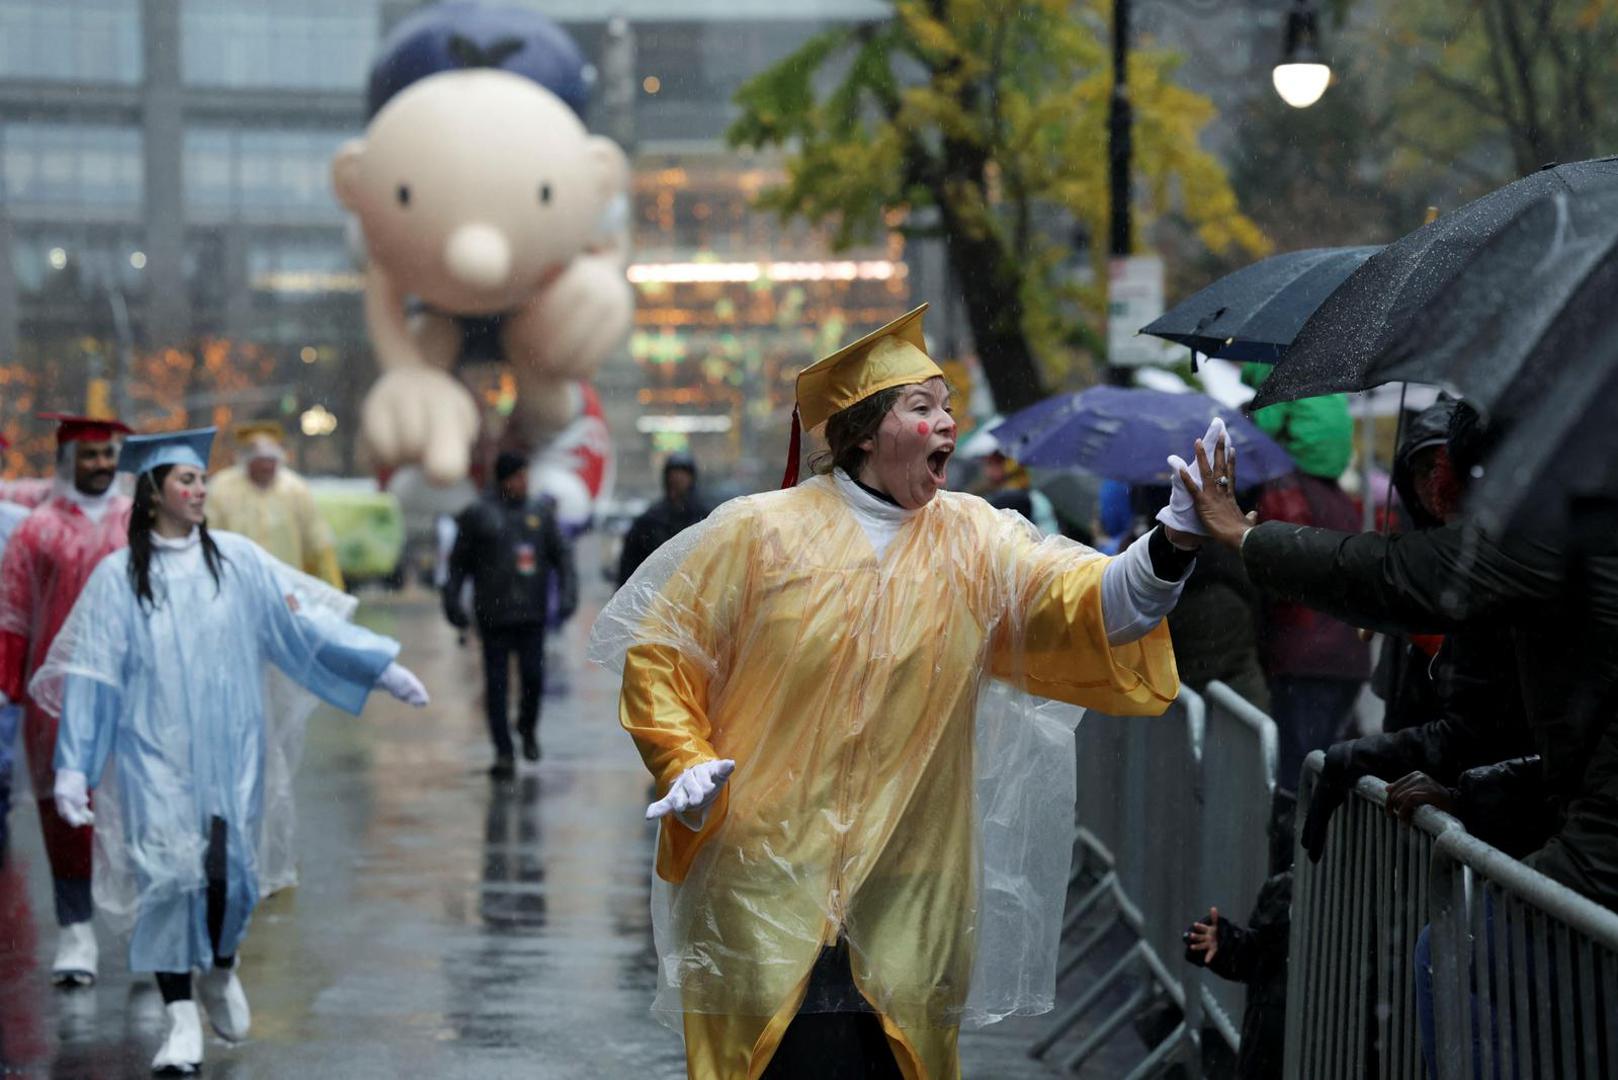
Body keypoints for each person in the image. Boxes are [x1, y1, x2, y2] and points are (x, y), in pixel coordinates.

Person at [590, 303, 1219, 1079]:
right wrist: (681, 759)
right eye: (923, 408)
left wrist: (1172, 542)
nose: (948, 424)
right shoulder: (756, 534)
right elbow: (661, 653)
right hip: (763, 881)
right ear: (861, 433)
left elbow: (1094, 606)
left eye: (949, 406)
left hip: (909, 894)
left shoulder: (977, 541)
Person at [35, 427, 429, 1075]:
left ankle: (221, 965)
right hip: (151, 755)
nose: (198, 491)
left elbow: (301, 622)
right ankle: (180, 1019)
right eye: (186, 481)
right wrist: (75, 765)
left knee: (229, 878)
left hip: (229, 750)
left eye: (200, 480)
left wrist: (376, 667)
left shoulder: (238, 562)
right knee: (164, 881)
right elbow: (95, 675)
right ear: (155, 493)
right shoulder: (117, 579)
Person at [1184, 400, 1618, 911]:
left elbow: (1385, 574)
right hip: (1564, 824)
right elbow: (1537, 751)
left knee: (1466, 949)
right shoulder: (1547, 525)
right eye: (1421, 471)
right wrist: (1467, 797)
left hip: (1590, 847)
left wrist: (1245, 536)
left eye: (1449, 470)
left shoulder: (1542, 528)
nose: (1438, 489)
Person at [0, 412, 133, 985]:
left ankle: (142, 929)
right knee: (65, 812)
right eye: (90, 455)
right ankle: (76, 930)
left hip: (134, 690)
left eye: (108, 454)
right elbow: (12, 611)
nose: (101, 465)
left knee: (137, 808)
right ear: (66, 462)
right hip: (55, 696)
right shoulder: (38, 529)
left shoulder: (141, 520)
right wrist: (8, 683)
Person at [1240, 365, 1369, 791]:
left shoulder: (1283, 491)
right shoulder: (1339, 498)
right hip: (1340, 657)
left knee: (1297, 784)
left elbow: (1276, 573)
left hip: (1302, 658)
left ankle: (1290, 858)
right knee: (1318, 780)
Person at [444, 451, 577, 777]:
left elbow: (563, 559)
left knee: (533, 677)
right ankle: (503, 752)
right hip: (493, 617)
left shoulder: (540, 514)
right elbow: (458, 565)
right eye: (518, 476)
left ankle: (527, 728)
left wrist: (568, 597)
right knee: (497, 687)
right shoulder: (478, 515)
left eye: (525, 476)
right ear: (504, 479)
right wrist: (452, 603)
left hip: (531, 616)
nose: (523, 482)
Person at [205, 421, 345, 589]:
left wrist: (333, 588)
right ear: (246, 459)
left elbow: (318, 543)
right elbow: (209, 536)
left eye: (271, 459)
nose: (266, 466)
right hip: (237, 586)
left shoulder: (296, 489)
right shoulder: (221, 488)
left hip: (288, 587)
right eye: (261, 460)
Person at [617, 451, 712, 587]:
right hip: (655, 595)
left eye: (683, 473)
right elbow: (630, 563)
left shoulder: (705, 517)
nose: (678, 478)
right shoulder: (650, 520)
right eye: (674, 473)